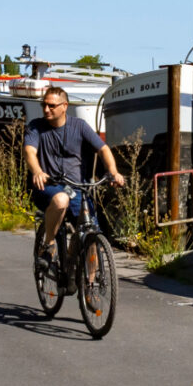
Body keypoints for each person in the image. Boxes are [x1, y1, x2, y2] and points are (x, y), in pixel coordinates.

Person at [23, 87, 125, 260]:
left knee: (91, 237)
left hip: (77, 188)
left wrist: (113, 172)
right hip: (49, 187)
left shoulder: (79, 126)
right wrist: (38, 171)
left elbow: (103, 149)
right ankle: (48, 244)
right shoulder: (36, 127)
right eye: (44, 105)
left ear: (64, 106)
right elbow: (29, 152)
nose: (46, 109)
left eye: (51, 106)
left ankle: (90, 283)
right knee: (61, 199)